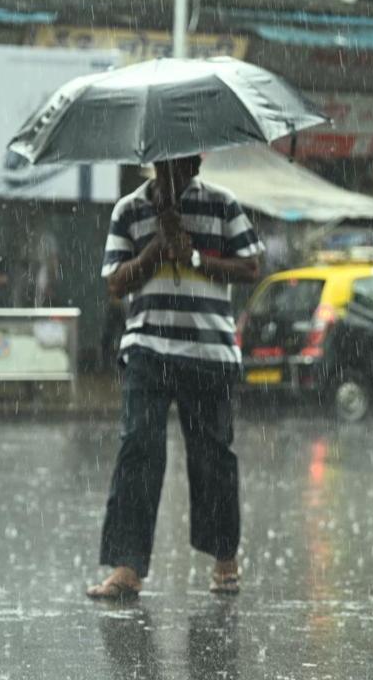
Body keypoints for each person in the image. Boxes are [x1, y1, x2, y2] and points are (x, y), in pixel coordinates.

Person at [86, 154, 263, 601]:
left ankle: (224, 558)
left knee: (212, 457)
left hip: (209, 351)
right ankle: (128, 568)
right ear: (155, 162)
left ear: (199, 163)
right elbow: (114, 282)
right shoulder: (129, 209)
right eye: (171, 161)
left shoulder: (223, 205)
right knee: (138, 449)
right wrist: (155, 251)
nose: (184, 168)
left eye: (190, 160)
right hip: (147, 349)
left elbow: (250, 267)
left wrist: (196, 257)